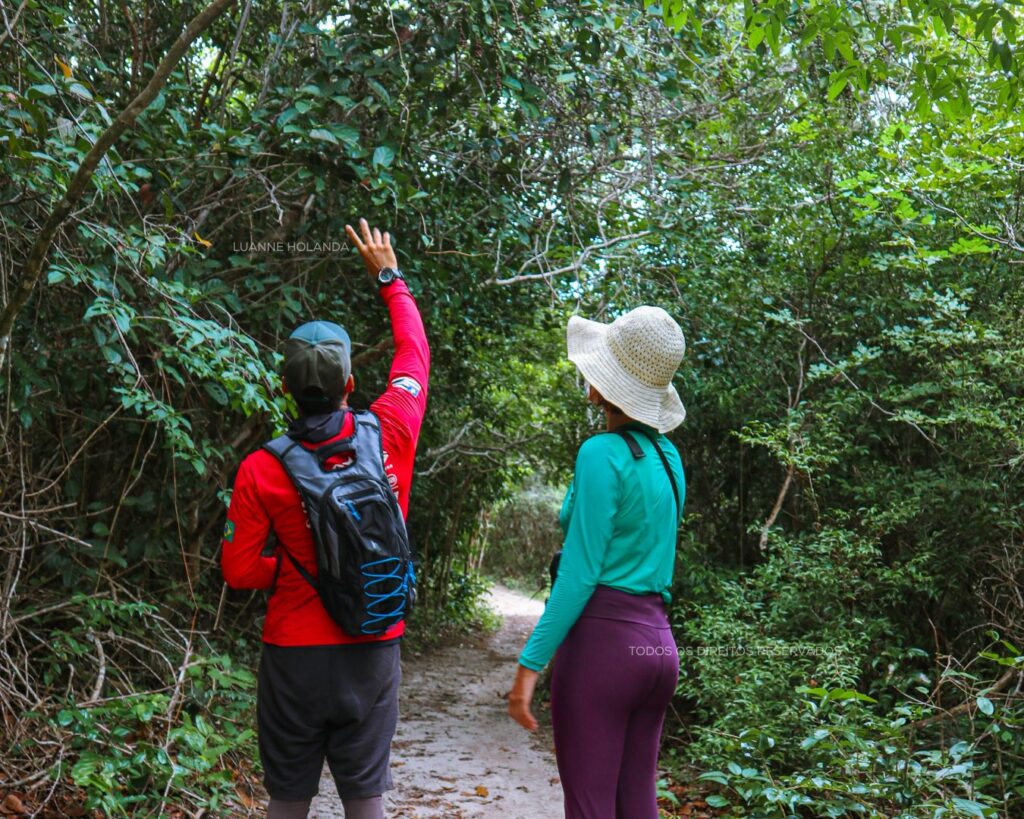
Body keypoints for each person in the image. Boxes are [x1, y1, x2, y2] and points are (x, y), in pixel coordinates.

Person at [221, 219, 429, 819]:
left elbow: (239, 571)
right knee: (366, 801)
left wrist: (291, 568)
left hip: (294, 655)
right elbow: (414, 353)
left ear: (284, 387)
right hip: (374, 645)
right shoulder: (391, 429)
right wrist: (389, 278)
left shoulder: (260, 468)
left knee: (287, 801)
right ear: (351, 383)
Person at [507, 305, 686, 819]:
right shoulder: (669, 458)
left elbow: (580, 573)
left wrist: (529, 665)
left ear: (604, 383)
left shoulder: (600, 453)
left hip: (603, 651)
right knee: (637, 804)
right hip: (658, 650)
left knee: (590, 808)